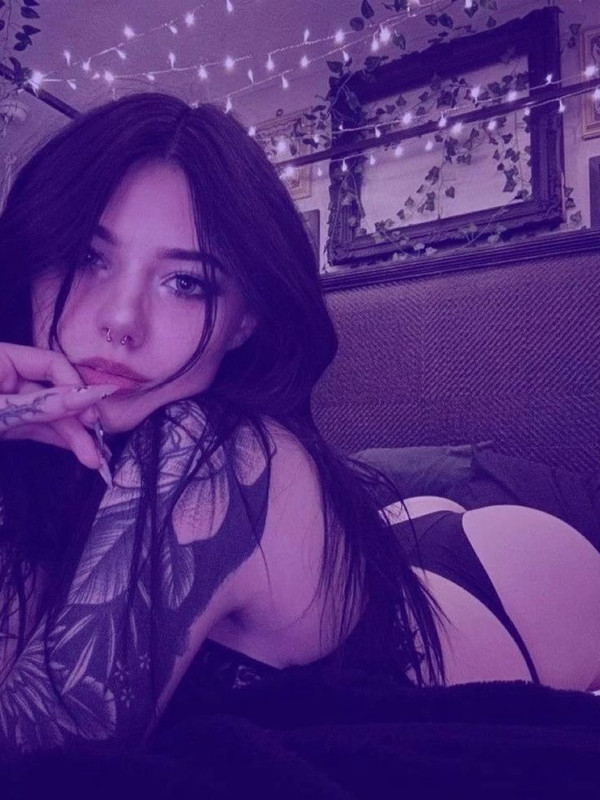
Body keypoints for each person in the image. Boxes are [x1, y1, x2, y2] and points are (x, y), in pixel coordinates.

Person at [0, 92, 598, 755]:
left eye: (186, 283)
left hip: (510, 586)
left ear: (246, 320)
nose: (120, 320)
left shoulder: (207, 452)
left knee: (470, 475)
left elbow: (41, 752)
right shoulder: (43, 449)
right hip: (387, 542)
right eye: (87, 258)